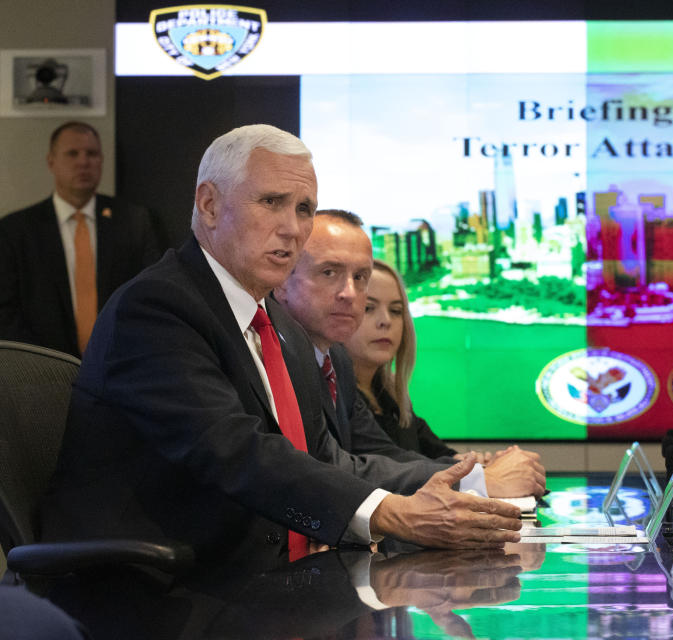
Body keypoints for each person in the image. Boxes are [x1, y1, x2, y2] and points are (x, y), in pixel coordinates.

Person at [40, 124, 530, 571]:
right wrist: (393, 515)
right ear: (209, 205)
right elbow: (236, 451)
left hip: (273, 578)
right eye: (271, 202)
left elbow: (321, 458)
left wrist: (457, 494)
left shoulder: (279, 324)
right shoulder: (156, 308)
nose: (294, 228)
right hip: (166, 588)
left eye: (304, 209)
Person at [274, 211, 545, 495]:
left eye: (360, 277)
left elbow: (384, 454)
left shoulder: (336, 363)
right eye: (329, 272)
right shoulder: (276, 357)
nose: (350, 293)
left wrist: (479, 472)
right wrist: (477, 480)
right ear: (282, 279)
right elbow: (332, 468)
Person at [0, 121, 160, 357]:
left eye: (92, 154)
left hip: (121, 367)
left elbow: (152, 294)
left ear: (101, 161)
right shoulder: (15, 230)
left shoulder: (134, 221)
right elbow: (5, 312)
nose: (83, 162)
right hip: (42, 371)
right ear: (51, 162)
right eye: (72, 153)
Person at [345, 258, 500, 460]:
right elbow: (395, 465)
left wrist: (482, 464)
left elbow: (442, 456)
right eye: (368, 308)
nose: (385, 321)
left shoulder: (393, 397)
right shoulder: (338, 396)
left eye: (396, 311)